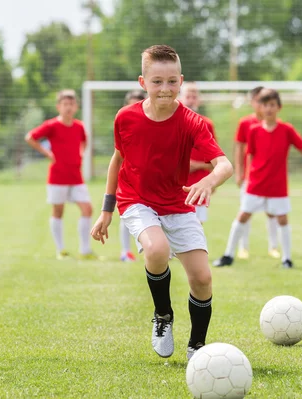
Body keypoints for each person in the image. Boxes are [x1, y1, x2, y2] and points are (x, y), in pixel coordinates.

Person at [90, 45, 233, 361]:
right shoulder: (125, 118)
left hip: (178, 204)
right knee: (157, 250)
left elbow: (225, 165)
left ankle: (197, 345)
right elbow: (117, 161)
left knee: (203, 278)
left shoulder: (193, 122)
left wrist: (208, 181)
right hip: (136, 200)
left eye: (171, 81)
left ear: (181, 81)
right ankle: (163, 315)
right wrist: (105, 211)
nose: (165, 89)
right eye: (157, 82)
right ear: (143, 82)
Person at [213, 88, 302, 268]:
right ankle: (228, 255)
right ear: (260, 107)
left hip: (277, 185)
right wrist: (247, 176)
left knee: (282, 219)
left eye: (272, 105)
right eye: (265, 105)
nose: (268, 109)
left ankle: (287, 259)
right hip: (256, 184)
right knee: (243, 215)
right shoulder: (253, 130)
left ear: (279, 107)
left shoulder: (287, 130)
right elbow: (249, 154)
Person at [25, 89, 98, 260]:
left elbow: (84, 141)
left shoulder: (79, 126)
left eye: (72, 104)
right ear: (59, 106)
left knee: (87, 209)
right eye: (65, 104)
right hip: (57, 176)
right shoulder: (52, 125)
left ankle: (85, 250)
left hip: (76, 176)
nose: (68, 108)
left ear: (76, 106)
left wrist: (81, 153)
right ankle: (61, 250)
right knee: (58, 210)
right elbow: (30, 137)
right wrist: (47, 153)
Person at [233, 86, 282, 260]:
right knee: (245, 212)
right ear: (254, 102)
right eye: (259, 101)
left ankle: (273, 246)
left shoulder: (275, 123)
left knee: (273, 212)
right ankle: (243, 248)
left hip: (270, 178)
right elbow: (239, 149)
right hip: (251, 177)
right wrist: (239, 172)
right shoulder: (246, 123)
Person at [180, 81, 217, 224]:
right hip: (177, 185)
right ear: (181, 98)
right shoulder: (173, 122)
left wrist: (211, 180)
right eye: (188, 96)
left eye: (194, 96)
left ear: (199, 100)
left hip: (200, 183)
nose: (191, 99)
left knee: (196, 226)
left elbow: (214, 157)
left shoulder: (207, 124)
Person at [118, 89, 147, 262]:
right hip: (128, 179)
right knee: (126, 215)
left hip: (149, 179)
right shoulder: (122, 124)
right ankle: (125, 251)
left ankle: (161, 250)